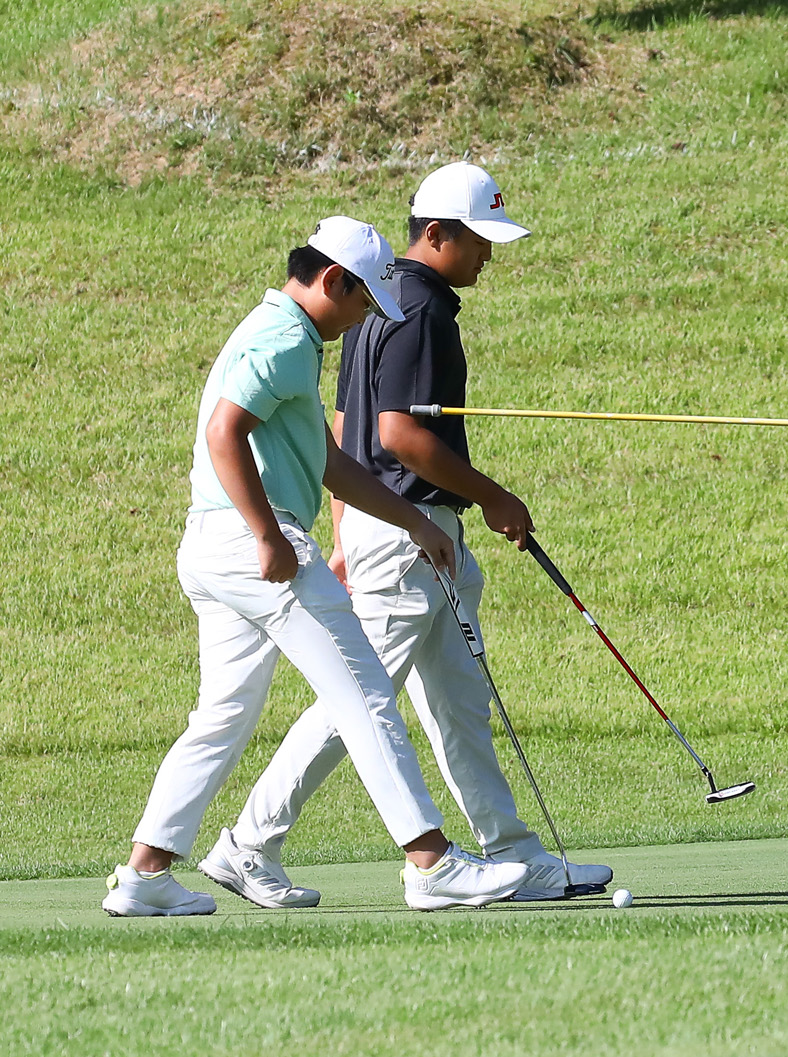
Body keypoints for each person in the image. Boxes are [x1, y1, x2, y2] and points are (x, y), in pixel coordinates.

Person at [206, 164, 612, 907]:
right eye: (481, 241)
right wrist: (493, 497)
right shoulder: (419, 310)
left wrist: (345, 528)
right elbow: (394, 434)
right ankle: (248, 842)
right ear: (437, 234)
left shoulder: (379, 299)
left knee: (460, 703)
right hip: (404, 536)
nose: (490, 255)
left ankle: (516, 856)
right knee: (356, 702)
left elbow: (338, 431)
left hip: (400, 530)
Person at [105, 217, 529, 916]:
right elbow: (224, 433)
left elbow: (328, 462)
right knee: (364, 694)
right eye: (362, 301)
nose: (363, 317)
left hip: (215, 549)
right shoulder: (281, 340)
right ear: (333, 280)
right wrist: (268, 534)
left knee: (223, 714)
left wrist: (415, 519)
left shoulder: (289, 337)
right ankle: (431, 862)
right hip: (257, 549)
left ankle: (146, 874)